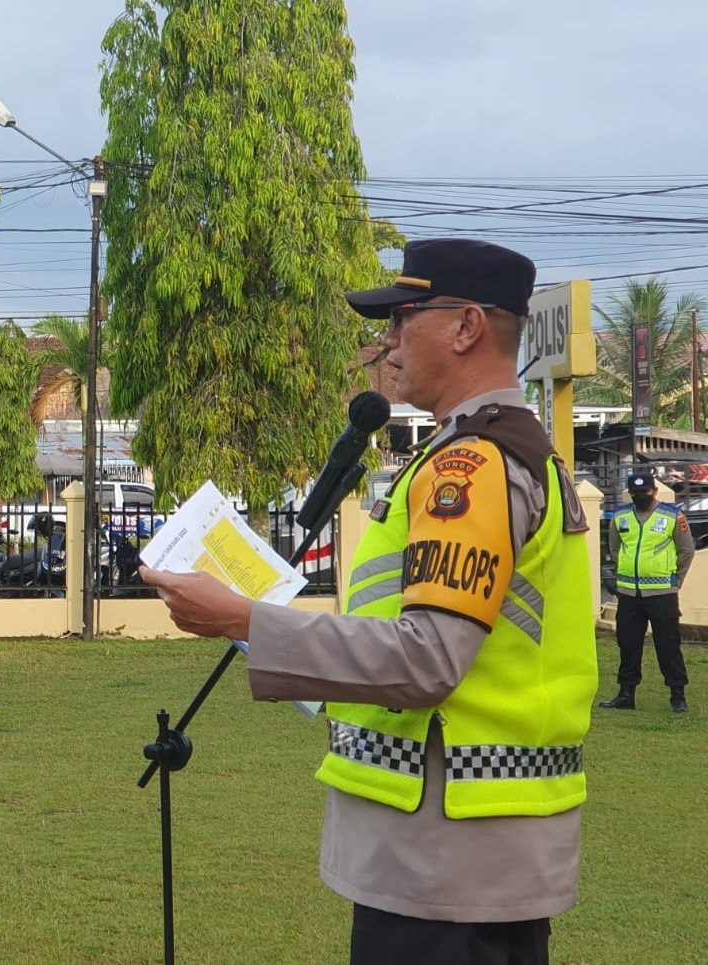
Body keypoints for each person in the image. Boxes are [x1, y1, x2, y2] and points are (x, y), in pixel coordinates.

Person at [141, 239, 597, 965]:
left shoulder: (469, 466)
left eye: (402, 317)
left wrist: (241, 617)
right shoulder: (518, 451)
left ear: (466, 326)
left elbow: (427, 658)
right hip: (482, 848)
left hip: (442, 862)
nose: (385, 341)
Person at [602, 468, 693, 713]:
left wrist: (675, 581)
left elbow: (686, 551)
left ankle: (677, 695)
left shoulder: (672, 515)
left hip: (662, 594)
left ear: (654, 491)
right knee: (628, 645)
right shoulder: (620, 516)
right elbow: (614, 546)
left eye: (644, 491)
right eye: (635, 492)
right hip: (630, 594)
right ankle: (626, 693)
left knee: (668, 645)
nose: (640, 496)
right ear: (630, 494)